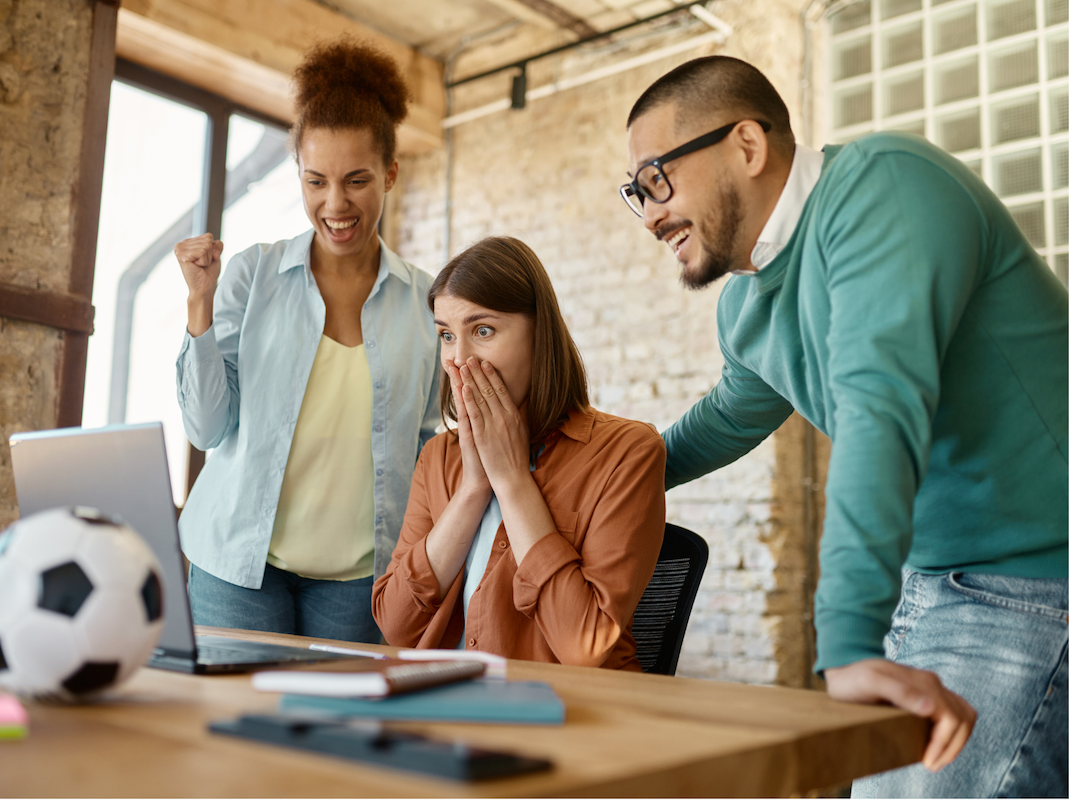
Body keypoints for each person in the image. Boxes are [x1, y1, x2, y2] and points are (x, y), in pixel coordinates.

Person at [622, 55, 1067, 796]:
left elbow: (878, 409)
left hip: (1035, 574)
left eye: (657, 181)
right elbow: (731, 414)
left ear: (747, 146)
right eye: (634, 194)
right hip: (929, 584)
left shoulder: (886, 189)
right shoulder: (748, 306)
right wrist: (593, 477)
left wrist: (850, 644)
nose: (649, 213)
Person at [172, 40, 440, 643]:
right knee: (234, 732)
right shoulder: (252, 275)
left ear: (391, 173)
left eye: (357, 180)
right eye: (316, 180)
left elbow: (427, 449)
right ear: (298, 173)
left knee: (335, 736)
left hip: (360, 582)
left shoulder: (427, 305)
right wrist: (199, 306)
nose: (335, 204)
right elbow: (206, 428)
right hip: (237, 569)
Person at [372, 236, 666, 669]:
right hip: (442, 708)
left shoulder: (627, 452)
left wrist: (511, 482)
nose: (459, 359)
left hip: (565, 714)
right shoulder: (437, 458)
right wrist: (474, 487)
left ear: (539, 335)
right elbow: (396, 626)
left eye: (483, 331)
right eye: (447, 336)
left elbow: (583, 648)